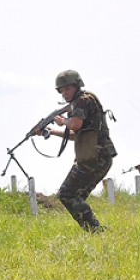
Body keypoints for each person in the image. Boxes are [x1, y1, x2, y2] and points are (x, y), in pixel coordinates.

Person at [43, 70, 117, 233]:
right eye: (61, 91)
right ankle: (95, 232)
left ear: (76, 86)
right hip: (98, 157)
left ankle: (97, 231)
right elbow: (77, 134)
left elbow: (74, 124)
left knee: (67, 194)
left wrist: (62, 121)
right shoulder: (83, 102)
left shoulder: (83, 101)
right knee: (75, 197)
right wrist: (52, 131)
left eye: (67, 89)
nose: (64, 93)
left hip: (95, 157)